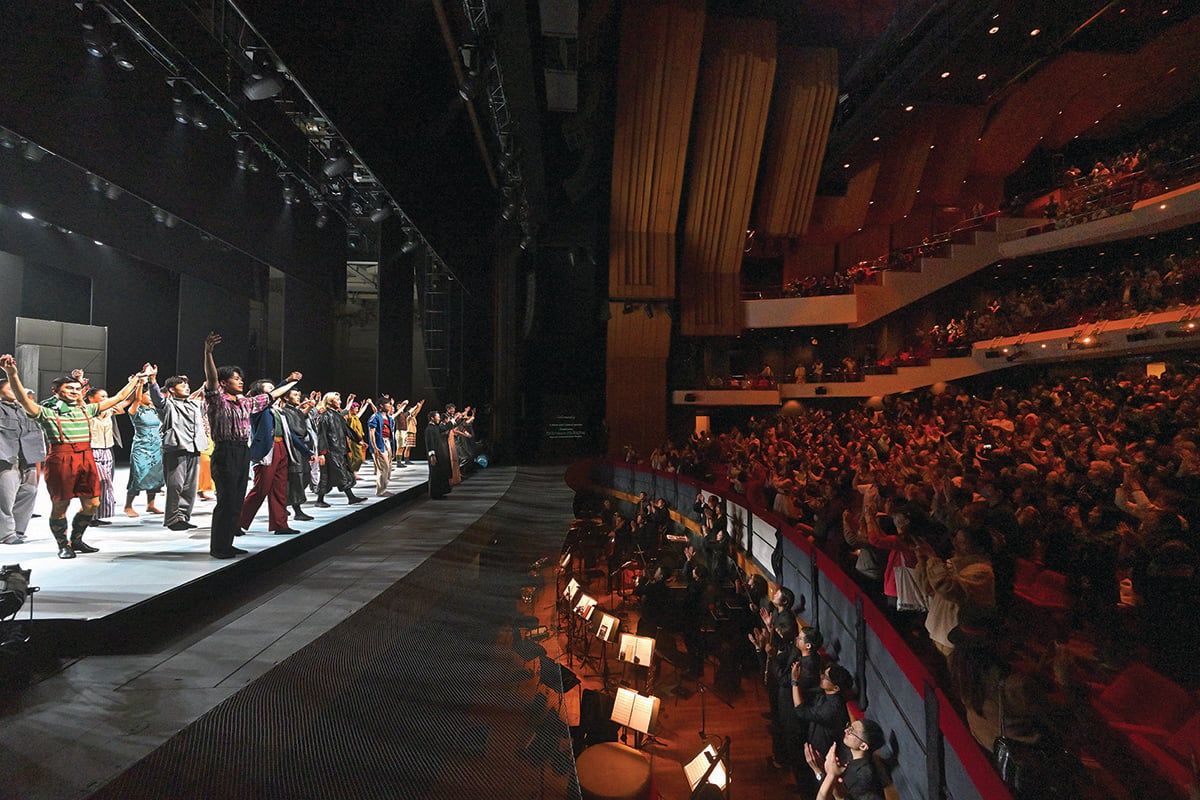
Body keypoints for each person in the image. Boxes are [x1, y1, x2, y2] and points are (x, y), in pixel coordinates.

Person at [0, 354, 145, 558]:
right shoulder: (46, 412)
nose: (75, 392)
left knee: (92, 504)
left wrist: (138, 379)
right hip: (61, 458)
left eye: (77, 389)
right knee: (60, 505)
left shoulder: (86, 409)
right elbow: (23, 399)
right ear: (56, 391)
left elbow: (119, 398)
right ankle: (63, 544)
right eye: (69, 388)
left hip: (86, 457)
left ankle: (76, 539)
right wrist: (11, 374)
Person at [202, 332, 301, 559]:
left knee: (236, 501)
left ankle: (228, 543)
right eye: (236, 378)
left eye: (240, 378)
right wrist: (208, 352)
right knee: (225, 501)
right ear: (225, 383)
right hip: (225, 451)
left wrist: (291, 381)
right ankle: (218, 547)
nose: (241, 381)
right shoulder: (217, 399)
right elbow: (211, 379)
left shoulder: (246, 402)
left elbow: (272, 395)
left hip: (241, 451)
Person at [147, 367, 208, 531]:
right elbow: (157, 398)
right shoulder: (168, 405)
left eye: (187, 386)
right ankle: (172, 519)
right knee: (175, 486)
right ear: (172, 390)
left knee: (190, 487)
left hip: (194, 448)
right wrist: (152, 381)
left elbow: (210, 400)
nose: (187, 388)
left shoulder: (196, 405)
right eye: (182, 386)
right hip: (176, 448)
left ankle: (183, 516)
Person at [238, 379, 301, 535]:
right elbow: (272, 395)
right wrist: (288, 381)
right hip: (267, 451)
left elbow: (289, 434)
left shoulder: (277, 410)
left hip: (281, 449)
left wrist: (307, 452)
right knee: (261, 489)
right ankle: (237, 523)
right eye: (269, 389)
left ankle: (280, 525)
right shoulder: (258, 409)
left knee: (279, 489)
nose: (274, 391)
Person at [0, 374, 46, 546]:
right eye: (9, 388)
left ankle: (19, 530)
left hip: (28, 458)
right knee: (5, 498)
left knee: (29, 493)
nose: (15, 392)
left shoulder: (26, 409)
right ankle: (5, 534)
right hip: (6, 458)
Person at [804, 718, 887, 800]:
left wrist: (820, 772)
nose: (846, 731)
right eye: (849, 726)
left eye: (851, 731)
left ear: (863, 746)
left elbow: (835, 797)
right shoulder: (848, 753)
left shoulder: (864, 776)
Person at [312, 392, 365, 507]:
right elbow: (321, 436)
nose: (340, 401)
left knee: (333, 474)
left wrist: (358, 440)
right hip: (331, 451)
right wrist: (322, 453)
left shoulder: (337, 416)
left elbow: (347, 429)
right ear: (330, 402)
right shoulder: (324, 416)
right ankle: (350, 497)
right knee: (339, 474)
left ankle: (320, 500)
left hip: (340, 449)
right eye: (337, 399)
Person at [123, 375, 165, 517]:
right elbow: (137, 399)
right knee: (138, 476)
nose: (150, 397)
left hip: (157, 446)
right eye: (148, 395)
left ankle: (150, 505)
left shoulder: (155, 411)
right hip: (141, 448)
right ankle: (128, 506)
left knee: (155, 475)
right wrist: (140, 384)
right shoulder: (135, 410)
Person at [84, 384, 123, 527]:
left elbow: (124, 402)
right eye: (103, 397)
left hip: (107, 449)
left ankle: (95, 516)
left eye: (107, 397)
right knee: (98, 482)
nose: (106, 399)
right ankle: (87, 515)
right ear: (90, 398)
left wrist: (137, 384)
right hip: (93, 450)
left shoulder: (108, 412)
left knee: (106, 484)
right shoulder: (86, 411)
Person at [367, 397, 394, 496]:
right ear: (381, 405)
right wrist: (374, 447)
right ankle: (380, 491)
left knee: (389, 468)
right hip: (380, 443)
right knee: (384, 467)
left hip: (388, 442)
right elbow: (372, 433)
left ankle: (384, 488)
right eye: (388, 404)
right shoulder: (375, 417)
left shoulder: (389, 417)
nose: (390, 406)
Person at [424, 409, 452, 499]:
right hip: (435, 455)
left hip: (439, 453)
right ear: (432, 418)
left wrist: (455, 419)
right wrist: (432, 455)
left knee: (440, 473)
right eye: (438, 417)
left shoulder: (436, 427)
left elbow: (445, 427)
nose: (439, 418)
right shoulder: (429, 429)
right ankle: (435, 494)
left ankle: (440, 493)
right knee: (435, 474)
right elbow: (429, 443)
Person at [399, 398, 424, 467]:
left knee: (409, 447)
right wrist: (418, 406)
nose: (414, 412)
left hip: (412, 432)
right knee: (407, 447)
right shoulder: (408, 416)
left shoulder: (412, 416)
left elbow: (416, 412)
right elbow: (416, 411)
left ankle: (407, 459)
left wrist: (420, 405)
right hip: (409, 432)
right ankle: (405, 460)